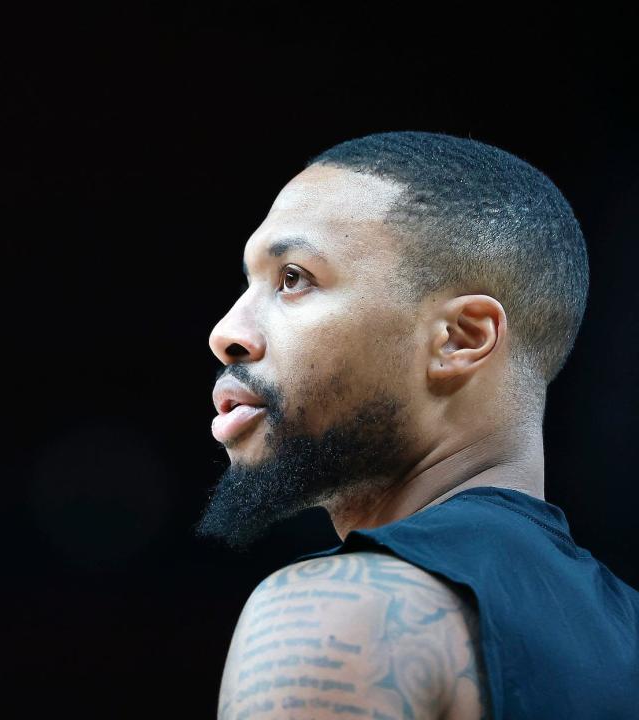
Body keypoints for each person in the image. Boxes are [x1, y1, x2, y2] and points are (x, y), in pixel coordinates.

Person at [196, 130, 639, 719]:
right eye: (249, 283)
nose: (226, 332)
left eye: (293, 278)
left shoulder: (343, 615)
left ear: (462, 338)